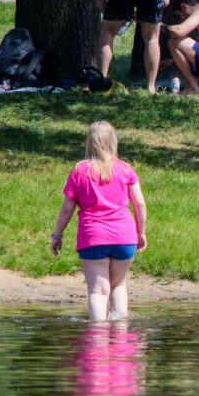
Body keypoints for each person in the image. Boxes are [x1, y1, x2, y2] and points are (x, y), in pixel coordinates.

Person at [50, 121, 147, 321]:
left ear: (90, 142)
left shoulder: (79, 171)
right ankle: (120, 339)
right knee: (118, 285)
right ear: (113, 141)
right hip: (124, 236)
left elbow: (68, 207)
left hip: (93, 236)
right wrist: (141, 232)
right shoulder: (126, 169)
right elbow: (140, 204)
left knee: (97, 290)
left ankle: (97, 339)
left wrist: (57, 234)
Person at [95, 0, 170, 93]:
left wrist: (113, 15)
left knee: (107, 33)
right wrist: (143, 14)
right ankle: (151, 87)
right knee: (152, 39)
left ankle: (102, 80)